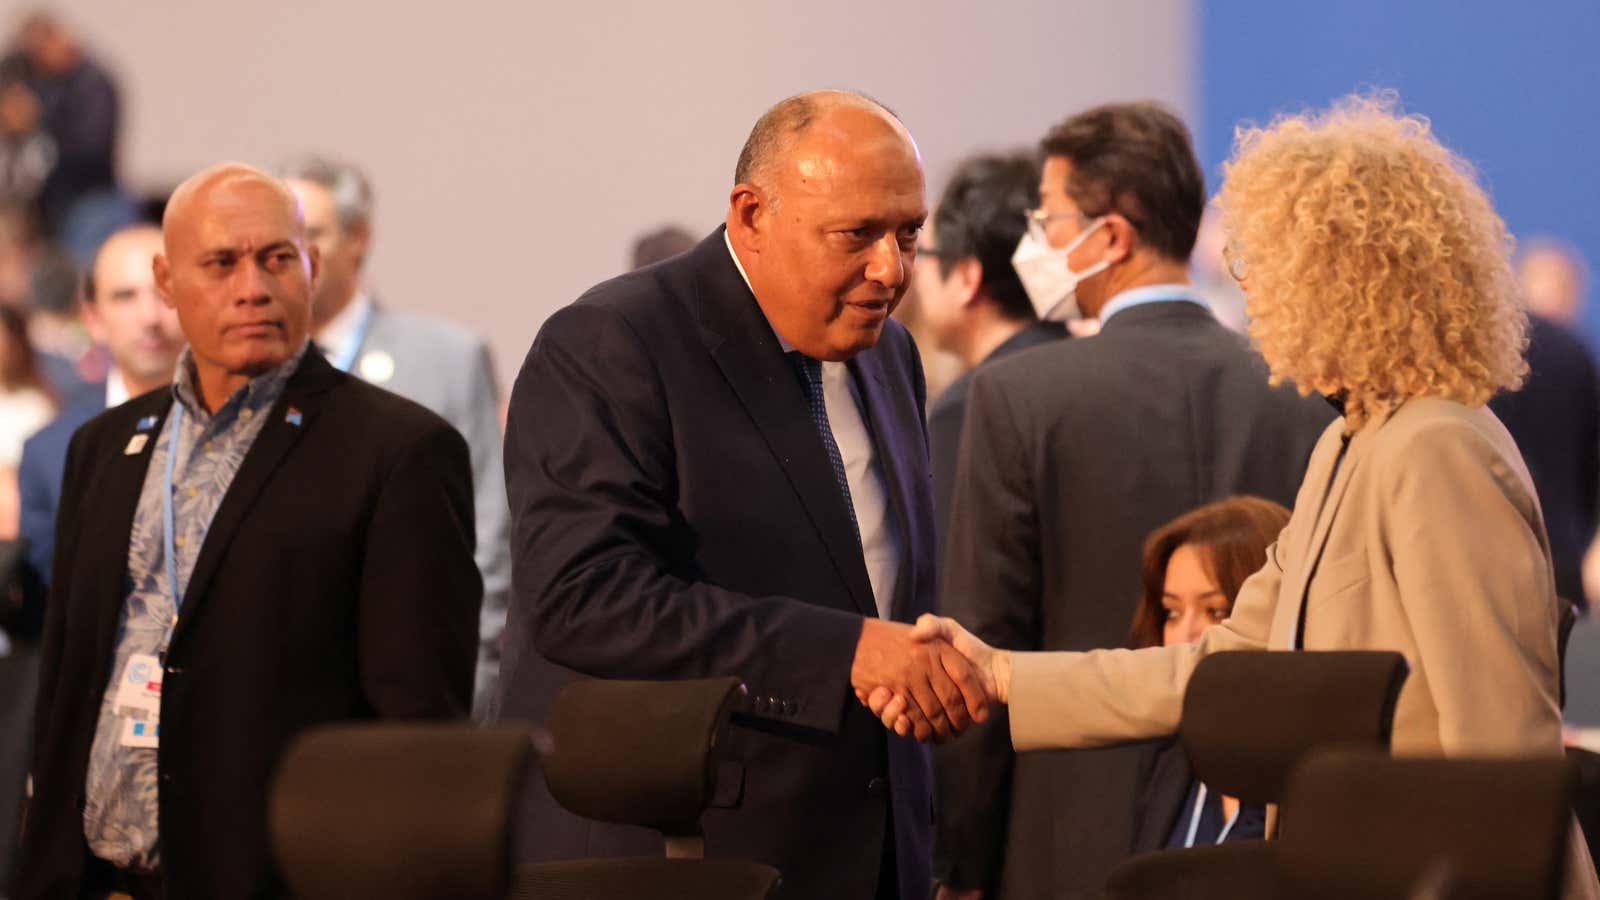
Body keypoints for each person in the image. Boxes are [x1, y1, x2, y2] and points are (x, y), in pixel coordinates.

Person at [877, 93, 1600, 900]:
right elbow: (1220, 664)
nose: (1249, 292)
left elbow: (1501, 746)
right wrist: (1003, 674)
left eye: (1265, 265)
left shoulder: (1438, 447)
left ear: (1345, 280)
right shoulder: (1347, 441)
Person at [496, 90, 987, 900]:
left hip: (870, 853)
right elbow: (582, 597)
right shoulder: (613, 342)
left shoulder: (889, 353)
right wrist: (848, 651)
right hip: (676, 853)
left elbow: (879, 586)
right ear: (751, 214)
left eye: (907, 235)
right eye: (856, 235)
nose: (890, 269)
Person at [17, 163, 481, 900]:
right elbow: (69, 689)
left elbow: (417, 729)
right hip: (98, 879)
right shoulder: (103, 448)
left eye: (276, 259)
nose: (254, 288)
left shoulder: (396, 452)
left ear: (312, 267)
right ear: (169, 284)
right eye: (222, 263)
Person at [932, 102, 1332, 900]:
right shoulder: (1298, 394)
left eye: (1047, 221)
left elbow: (984, 640)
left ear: (1110, 238)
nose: (1035, 246)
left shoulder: (1016, 397)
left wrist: (958, 859)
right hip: (1258, 831)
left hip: (1062, 829)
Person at [280, 156, 510, 716]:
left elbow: (488, 532)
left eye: (311, 235)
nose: (294, 257)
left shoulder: (445, 358)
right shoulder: (252, 369)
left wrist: (471, 678)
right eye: (279, 242)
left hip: (416, 688)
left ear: (358, 238)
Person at [911, 150, 1064, 546]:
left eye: (922, 254)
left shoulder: (973, 405)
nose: (912, 273)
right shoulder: (1086, 369)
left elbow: (953, 576)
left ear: (966, 276)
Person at [17, 224, 182, 584]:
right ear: (92, 318)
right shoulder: (51, 453)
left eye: (166, 292)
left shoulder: (247, 425)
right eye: (125, 296)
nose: (149, 317)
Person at [1123, 497, 1289, 853]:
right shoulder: (1168, 756)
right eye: (1171, 612)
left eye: (1215, 611)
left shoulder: (1314, 781)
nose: (1184, 637)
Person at [0, 12, 120, 241]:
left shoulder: (92, 84)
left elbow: (90, 152)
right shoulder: (44, 80)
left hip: (90, 202)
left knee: (81, 269)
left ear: (54, 38)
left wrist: (35, 119)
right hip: (49, 205)